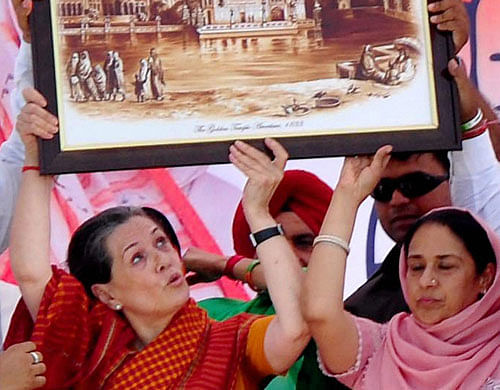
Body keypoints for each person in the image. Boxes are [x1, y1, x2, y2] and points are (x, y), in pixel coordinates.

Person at [5, 88, 309, 389]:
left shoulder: (230, 342)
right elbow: (32, 273)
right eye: (137, 257)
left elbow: (295, 327)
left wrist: (258, 213)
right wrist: (37, 161)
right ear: (107, 295)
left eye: (161, 243)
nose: (162, 260)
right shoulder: (92, 347)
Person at [302, 145, 500, 388]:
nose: (427, 281)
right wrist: (346, 196)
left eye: (446, 266)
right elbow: (320, 312)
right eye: (416, 267)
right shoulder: (380, 347)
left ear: (485, 277)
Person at [185, 170, 333, 389]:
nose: (286, 256)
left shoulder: (345, 323)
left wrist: (226, 265)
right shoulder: (211, 313)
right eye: (271, 245)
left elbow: (300, 289)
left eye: (303, 242)